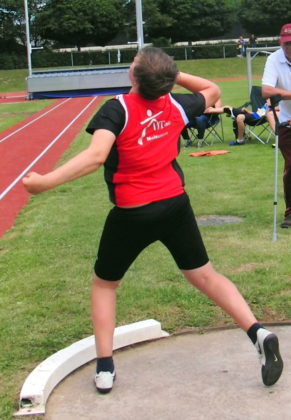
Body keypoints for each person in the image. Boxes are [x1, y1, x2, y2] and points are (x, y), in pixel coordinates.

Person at [22, 47, 283, 394]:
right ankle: (257, 332)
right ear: (165, 81)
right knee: (205, 275)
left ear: (133, 76)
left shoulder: (117, 109)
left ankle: (105, 367)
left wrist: (44, 182)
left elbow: (96, 157)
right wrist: (169, 76)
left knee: (105, 284)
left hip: (133, 212)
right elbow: (211, 90)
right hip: (175, 204)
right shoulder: (175, 104)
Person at [262, 23, 291, 228]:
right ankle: (290, 212)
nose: (288, 47)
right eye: (285, 43)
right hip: (287, 122)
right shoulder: (274, 59)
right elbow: (266, 91)